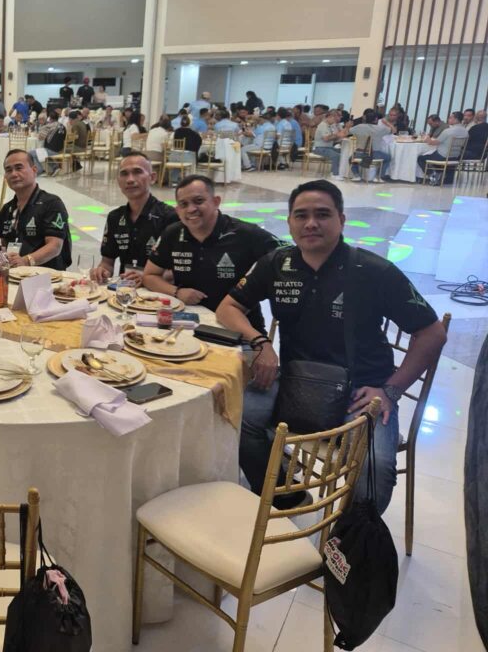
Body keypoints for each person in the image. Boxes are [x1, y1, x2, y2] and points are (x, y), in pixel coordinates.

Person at [218, 180, 446, 511]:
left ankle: (348, 538)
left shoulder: (374, 270)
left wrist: (391, 390)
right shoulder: (277, 263)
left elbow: (432, 333)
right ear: (289, 223)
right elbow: (228, 308)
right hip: (296, 383)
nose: (311, 223)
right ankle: (284, 495)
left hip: (362, 391)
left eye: (322, 214)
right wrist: (261, 342)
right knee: (237, 418)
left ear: (341, 219)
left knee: (375, 466)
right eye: (301, 215)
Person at [142, 175, 281, 333]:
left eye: (199, 201)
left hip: (240, 330)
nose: (191, 209)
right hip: (188, 325)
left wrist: (254, 284)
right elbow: (149, 276)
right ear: (178, 210)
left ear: (216, 202)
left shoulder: (245, 233)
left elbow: (286, 256)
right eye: (184, 204)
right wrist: (176, 292)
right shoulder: (172, 233)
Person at [92, 153, 177, 286]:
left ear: (152, 178)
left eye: (137, 172)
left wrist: (147, 278)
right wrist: (101, 271)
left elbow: (178, 270)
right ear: (118, 181)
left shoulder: (169, 217)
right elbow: (107, 262)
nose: (130, 179)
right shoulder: (115, 217)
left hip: (159, 291)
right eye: (124, 174)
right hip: (125, 290)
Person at [0, 149, 72, 270]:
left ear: (34, 170)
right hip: (14, 274)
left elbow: (55, 246)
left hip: (45, 276)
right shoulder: (7, 209)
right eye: (8, 170)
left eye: (19, 168)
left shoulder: (51, 204)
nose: (14, 174)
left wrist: (27, 261)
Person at [418, 110, 468, 184]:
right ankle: (443, 177)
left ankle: (433, 175)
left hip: (443, 156)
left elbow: (433, 143)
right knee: (433, 155)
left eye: (450, 118)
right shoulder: (465, 131)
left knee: (420, 158)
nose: (448, 119)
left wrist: (427, 139)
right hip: (455, 156)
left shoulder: (448, 131)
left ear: (456, 119)